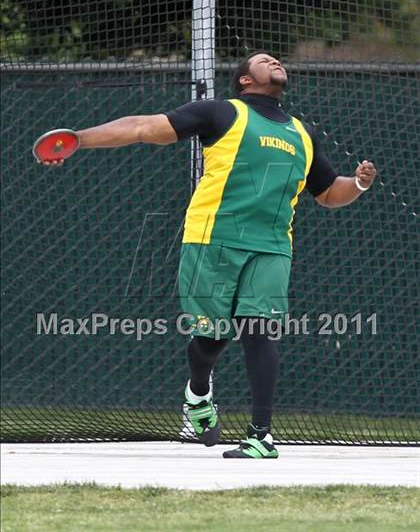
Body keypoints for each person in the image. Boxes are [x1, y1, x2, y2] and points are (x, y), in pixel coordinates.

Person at [40, 52, 377, 458]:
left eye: (276, 59)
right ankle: (198, 395)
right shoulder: (221, 114)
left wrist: (356, 184)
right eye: (262, 60)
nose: (273, 61)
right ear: (244, 81)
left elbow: (326, 193)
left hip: (271, 247)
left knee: (260, 331)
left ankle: (261, 436)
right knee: (211, 336)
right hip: (211, 238)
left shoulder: (302, 133)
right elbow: (145, 128)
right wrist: (79, 139)